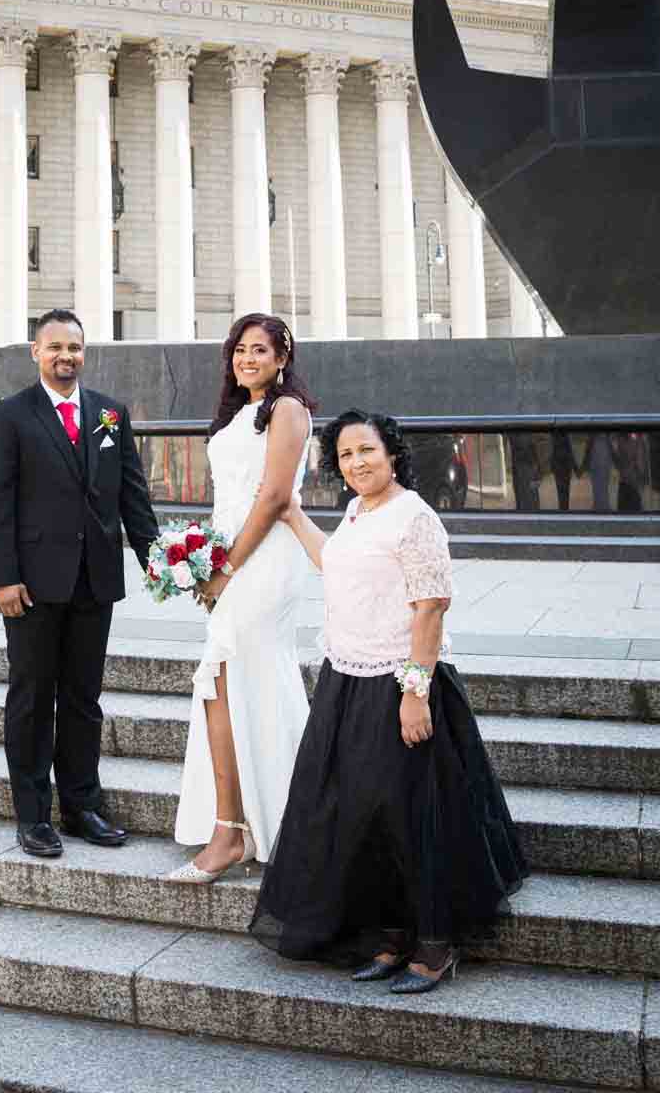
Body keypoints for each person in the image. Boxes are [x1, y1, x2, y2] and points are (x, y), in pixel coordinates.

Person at [250, 409, 527, 990]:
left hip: (401, 682)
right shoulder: (356, 512)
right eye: (345, 455)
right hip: (348, 678)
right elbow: (336, 564)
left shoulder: (416, 517)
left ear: (393, 453)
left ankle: (434, 946)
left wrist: (415, 693)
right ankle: (391, 935)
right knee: (365, 813)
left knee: (409, 815)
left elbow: (431, 606)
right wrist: (293, 513)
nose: (356, 463)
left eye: (366, 451)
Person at [0, 307, 158, 858]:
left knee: (84, 699)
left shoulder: (110, 414)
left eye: (74, 348)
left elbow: (133, 495)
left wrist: (159, 562)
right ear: (36, 352)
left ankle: (82, 806)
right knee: (31, 699)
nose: (65, 356)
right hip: (31, 587)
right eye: (54, 347)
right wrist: (2, 578)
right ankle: (33, 815)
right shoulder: (9, 416)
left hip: (94, 582)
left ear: (85, 352)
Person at [169, 314, 312, 880]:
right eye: (239, 350)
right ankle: (259, 817)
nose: (247, 358)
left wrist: (225, 568)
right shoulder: (238, 416)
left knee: (225, 676)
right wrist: (199, 557)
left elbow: (276, 494)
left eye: (260, 350)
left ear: (282, 357)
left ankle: (235, 829)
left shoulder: (288, 410)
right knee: (234, 681)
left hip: (265, 560)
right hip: (230, 557)